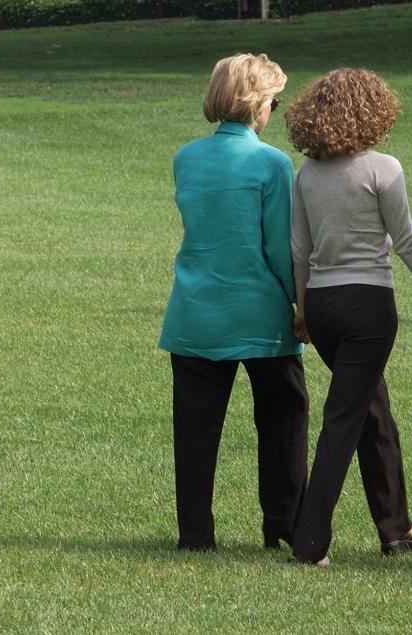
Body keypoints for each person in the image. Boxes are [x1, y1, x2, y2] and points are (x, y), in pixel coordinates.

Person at [286, 68, 412, 566]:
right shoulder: (384, 169)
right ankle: (310, 542)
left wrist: (301, 309)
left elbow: (300, 249)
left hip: (321, 306)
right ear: (373, 111)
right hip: (367, 309)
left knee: (371, 412)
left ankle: (397, 528)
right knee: (344, 419)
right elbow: (407, 246)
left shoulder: (307, 173)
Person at [159, 53, 310, 552]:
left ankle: (195, 535)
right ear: (259, 105)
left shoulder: (186, 157)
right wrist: (300, 305)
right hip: (261, 315)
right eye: (274, 100)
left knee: (195, 433)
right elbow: (278, 248)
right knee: (283, 423)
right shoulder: (271, 163)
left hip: (195, 312)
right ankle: (284, 527)